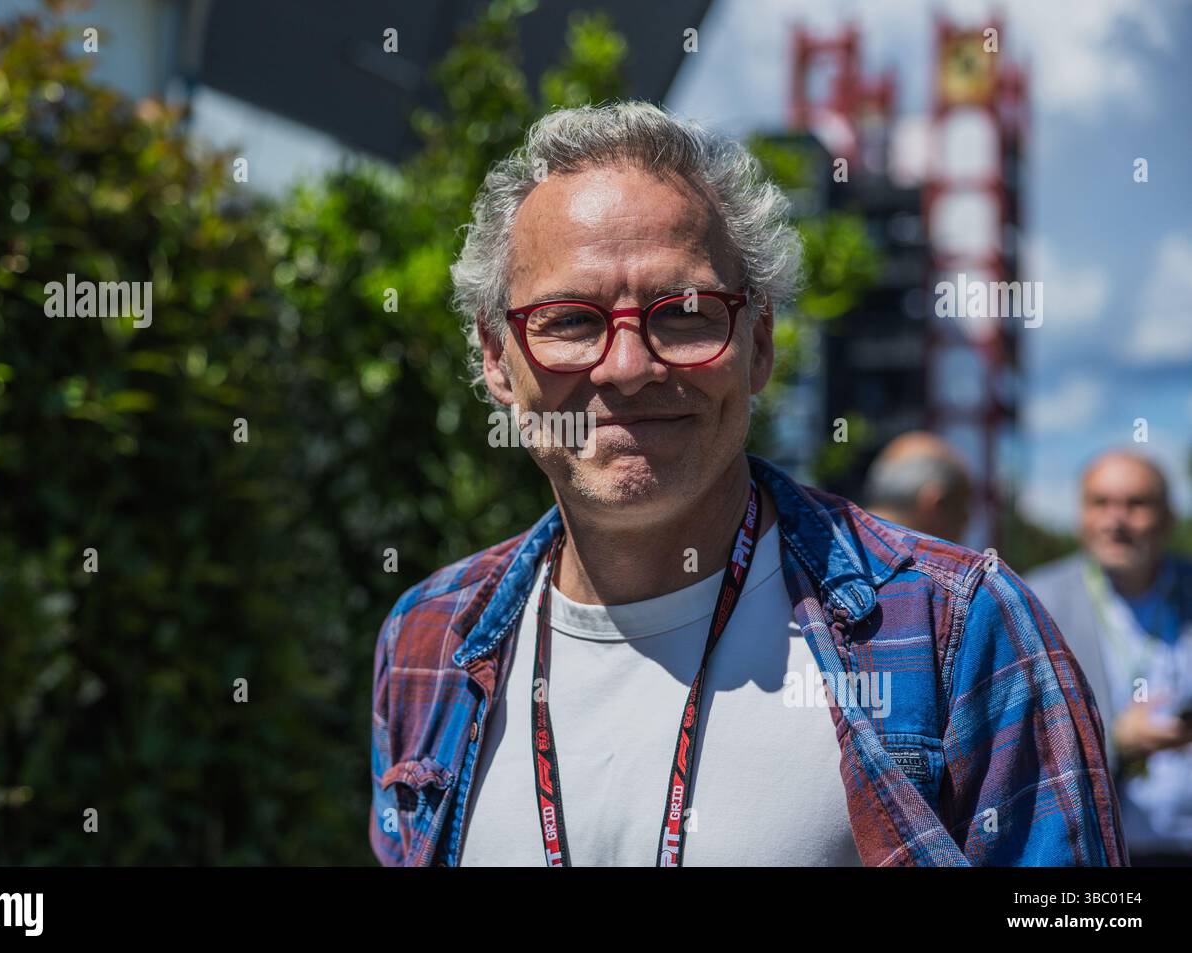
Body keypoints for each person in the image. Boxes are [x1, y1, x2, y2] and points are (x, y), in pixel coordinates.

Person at [369, 100, 1125, 867]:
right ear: (499, 358)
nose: (628, 367)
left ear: (757, 345)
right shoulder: (428, 640)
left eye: (686, 313)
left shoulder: (953, 631)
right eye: (570, 320)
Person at [1027, 450, 1192, 865]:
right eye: (1100, 503)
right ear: (1081, 516)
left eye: (1136, 504)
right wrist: (1112, 743)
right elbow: (1017, 743)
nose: (1116, 521)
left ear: (1168, 516)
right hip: (1095, 848)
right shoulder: (1037, 601)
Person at [863, 432, 973, 543]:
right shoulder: (925, 558)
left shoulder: (848, 540)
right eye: (962, 510)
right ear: (936, 507)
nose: (967, 522)